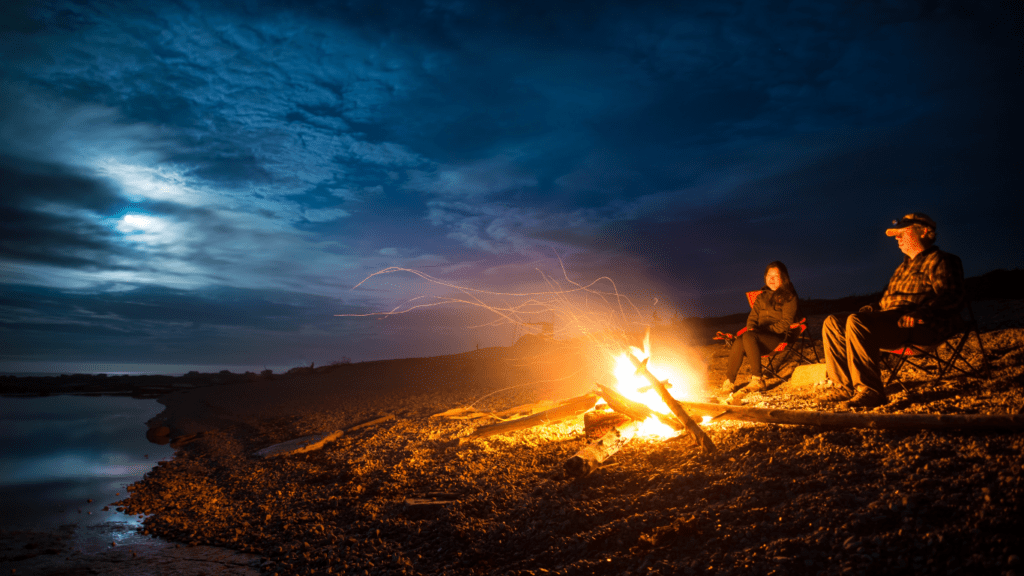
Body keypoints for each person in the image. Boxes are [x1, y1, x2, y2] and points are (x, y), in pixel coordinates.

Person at [818, 213, 965, 409]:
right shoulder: (902, 268)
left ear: (925, 232)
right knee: (833, 321)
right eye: (896, 234)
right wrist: (873, 308)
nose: (897, 238)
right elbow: (888, 301)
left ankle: (870, 391)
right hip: (892, 321)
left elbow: (951, 297)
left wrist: (922, 313)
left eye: (902, 232)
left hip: (920, 324)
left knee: (857, 322)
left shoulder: (942, 260)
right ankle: (844, 386)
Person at [721, 261, 799, 394]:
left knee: (748, 336)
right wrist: (752, 329)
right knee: (740, 339)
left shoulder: (789, 297)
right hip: (756, 338)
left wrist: (764, 331)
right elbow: (752, 318)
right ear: (765, 277)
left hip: (778, 337)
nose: (772, 279)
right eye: (769, 275)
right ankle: (729, 381)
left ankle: (758, 379)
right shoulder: (761, 297)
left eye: (776, 276)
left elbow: (786, 322)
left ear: (784, 278)